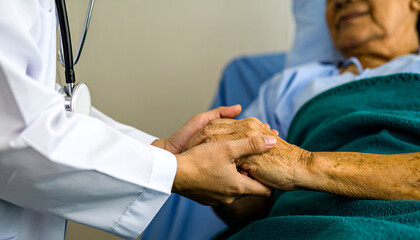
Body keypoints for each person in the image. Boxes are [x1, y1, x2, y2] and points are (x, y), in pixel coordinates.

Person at [0, 0, 277, 239]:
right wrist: (178, 171)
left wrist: (160, 151)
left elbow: (33, 107)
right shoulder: (283, 90)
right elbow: (14, 136)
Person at [187, 0, 420, 238]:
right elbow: (248, 209)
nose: (340, 2)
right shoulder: (289, 86)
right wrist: (224, 169)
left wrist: (302, 164)